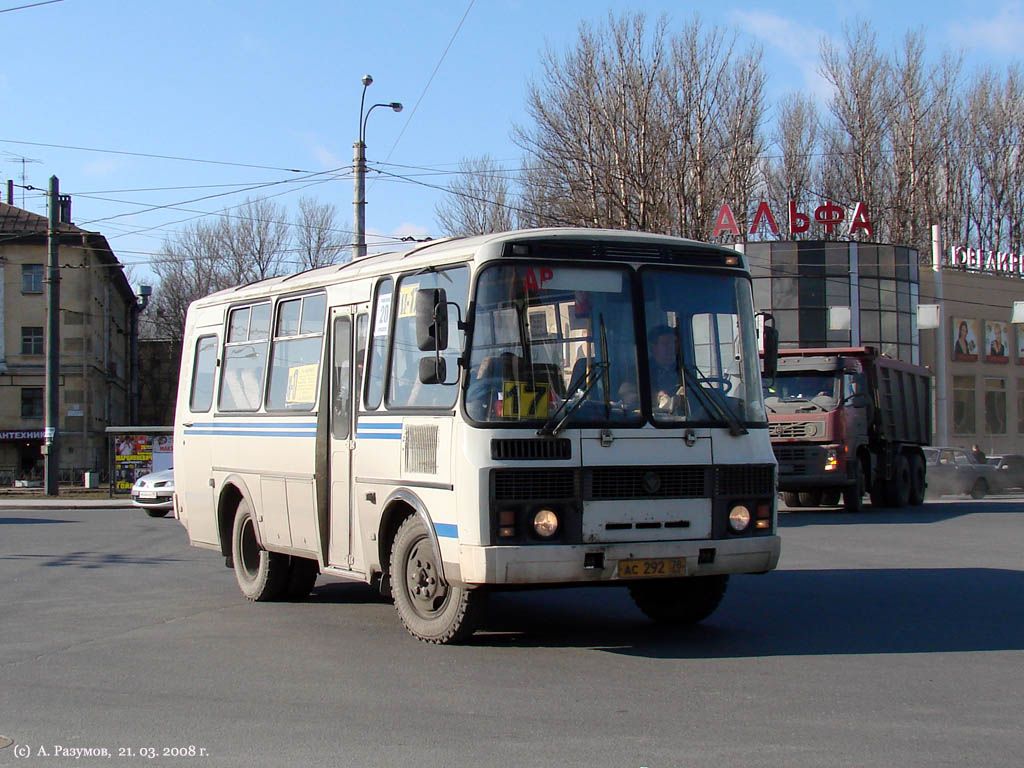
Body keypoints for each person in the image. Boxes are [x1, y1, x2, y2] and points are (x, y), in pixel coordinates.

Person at [648, 325, 681, 412]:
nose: (672, 348)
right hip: (654, 420)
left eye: (674, 343)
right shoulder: (641, 370)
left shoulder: (684, 368)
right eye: (665, 344)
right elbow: (625, 392)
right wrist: (657, 397)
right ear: (653, 348)